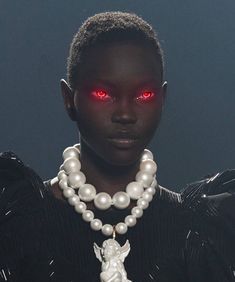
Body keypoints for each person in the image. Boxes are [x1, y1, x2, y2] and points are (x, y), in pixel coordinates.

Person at [0, 11, 235, 282]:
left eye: (145, 95)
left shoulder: (198, 232)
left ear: (163, 99)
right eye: (103, 94)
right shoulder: (17, 223)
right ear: (69, 98)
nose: (125, 114)